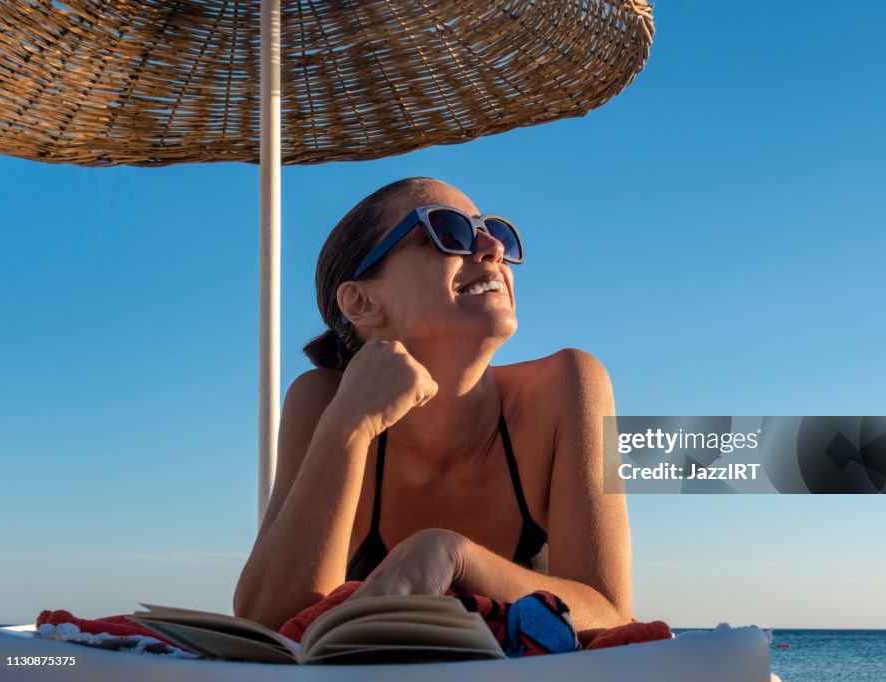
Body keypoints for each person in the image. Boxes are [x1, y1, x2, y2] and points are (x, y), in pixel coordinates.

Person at [233, 178, 631, 640]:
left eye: (496, 233)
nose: (491, 249)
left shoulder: (569, 386)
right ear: (361, 301)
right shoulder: (322, 401)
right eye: (448, 232)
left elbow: (608, 613)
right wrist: (348, 427)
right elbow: (265, 623)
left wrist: (449, 555)